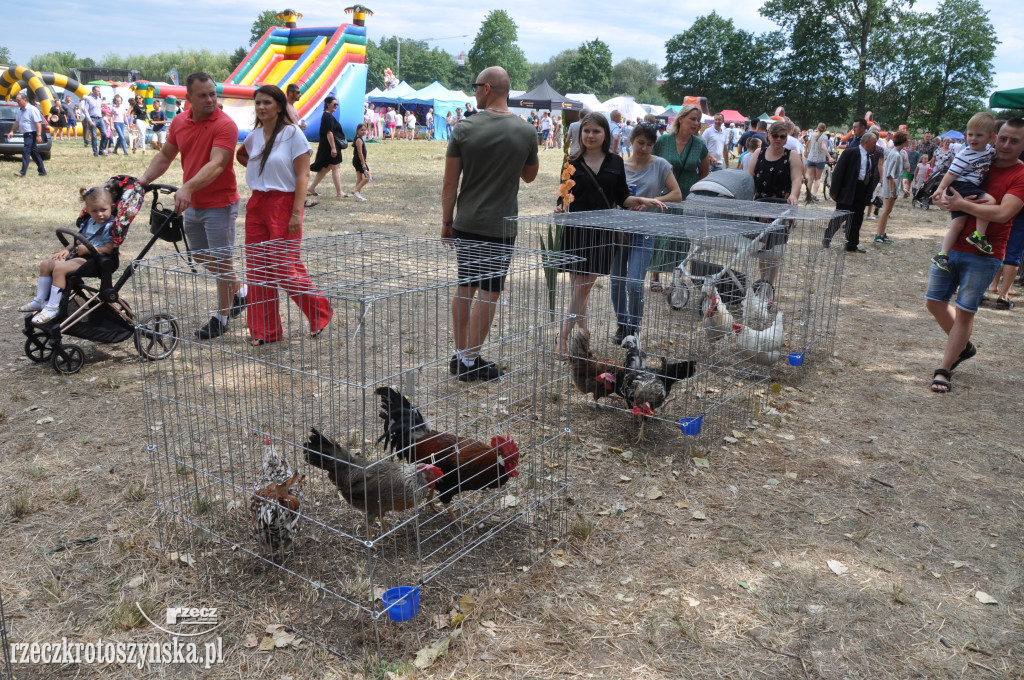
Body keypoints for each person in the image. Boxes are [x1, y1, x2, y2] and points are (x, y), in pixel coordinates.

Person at [441, 66, 539, 381]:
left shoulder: (463, 128)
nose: (474, 93)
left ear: (486, 88)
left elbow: (449, 184)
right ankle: (471, 359)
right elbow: (529, 175)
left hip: (467, 221)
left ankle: (461, 355)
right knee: (489, 291)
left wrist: (447, 221)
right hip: (501, 225)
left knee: (466, 285)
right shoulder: (525, 131)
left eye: (475, 87)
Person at [138, 71, 246, 340]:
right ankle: (242, 292)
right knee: (199, 256)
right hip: (193, 204)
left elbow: (217, 163)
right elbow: (165, 155)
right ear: (189, 98)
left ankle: (221, 318)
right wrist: (142, 181)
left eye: (213, 93)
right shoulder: (179, 122)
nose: (210, 99)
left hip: (220, 204)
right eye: (203, 95)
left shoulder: (225, 124)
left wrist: (187, 187)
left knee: (222, 261)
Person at [926, 118, 1024, 392]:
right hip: (955, 245)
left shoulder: (1020, 175)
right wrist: (948, 201)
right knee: (934, 303)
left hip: (985, 253)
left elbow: (1004, 213)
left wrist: (961, 203)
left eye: (1014, 140)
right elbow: (952, 191)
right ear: (995, 137)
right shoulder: (980, 159)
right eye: (1003, 138)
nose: (1006, 144)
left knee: (966, 312)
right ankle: (964, 347)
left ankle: (944, 369)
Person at [555, 112, 665, 356]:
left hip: (602, 233)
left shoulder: (615, 162)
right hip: (576, 231)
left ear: (606, 134)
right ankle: (578, 339)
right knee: (579, 290)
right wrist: (560, 207)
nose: (590, 136)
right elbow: (563, 196)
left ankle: (564, 337)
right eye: (586, 131)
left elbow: (622, 196)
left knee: (582, 289)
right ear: (579, 134)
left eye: (596, 131)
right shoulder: (571, 161)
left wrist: (643, 200)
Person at [236, 85, 332, 346]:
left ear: (280, 105)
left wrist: (296, 213)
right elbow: (241, 155)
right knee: (257, 270)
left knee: (284, 266)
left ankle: (320, 311)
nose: (261, 107)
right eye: (257, 103)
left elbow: (303, 175)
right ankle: (265, 332)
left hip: (284, 203)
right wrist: (261, 169)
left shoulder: (293, 135)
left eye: (267, 102)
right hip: (257, 203)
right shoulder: (255, 136)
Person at [610, 122, 682, 343]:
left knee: (634, 283)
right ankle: (622, 326)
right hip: (620, 231)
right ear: (631, 140)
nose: (644, 148)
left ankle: (634, 326)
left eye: (650, 144)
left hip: (645, 230)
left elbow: (677, 194)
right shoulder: (618, 165)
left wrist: (652, 201)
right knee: (616, 281)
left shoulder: (660, 165)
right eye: (641, 143)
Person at [20, 185, 119, 323]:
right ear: (88, 210)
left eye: (103, 210)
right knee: (46, 264)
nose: (99, 214)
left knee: (60, 269)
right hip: (80, 255)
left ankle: (53, 308)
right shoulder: (89, 222)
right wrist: (66, 249)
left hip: (95, 259)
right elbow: (78, 240)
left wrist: (88, 249)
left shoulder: (110, 226)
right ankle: (40, 300)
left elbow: (108, 249)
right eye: (94, 211)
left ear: (112, 207)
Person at [649, 104, 710, 291]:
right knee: (660, 235)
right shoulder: (664, 141)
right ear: (681, 119)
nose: (696, 123)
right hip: (665, 196)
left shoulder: (699, 144)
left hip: (687, 199)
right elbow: (652, 165)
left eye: (698, 120)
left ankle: (678, 278)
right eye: (692, 118)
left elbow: (704, 173)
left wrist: (691, 191)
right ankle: (655, 276)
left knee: (682, 239)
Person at [930, 113, 998, 269]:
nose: (973, 139)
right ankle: (979, 235)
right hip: (962, 185)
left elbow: (995, 158)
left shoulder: (989, 151)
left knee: (957, 224)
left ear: (990, 137)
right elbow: (951, 173)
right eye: (970, 134)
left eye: (979, 135)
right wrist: (940, 188)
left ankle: (942, 255)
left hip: (967, 186)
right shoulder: (965, 154)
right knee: (989, 201)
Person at [826, 131, 881, 253]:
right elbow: (838, 172)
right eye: (873, 143)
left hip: (862, 190)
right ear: (866, 142)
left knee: (857, 219)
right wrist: (834, 191)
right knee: (840, 217)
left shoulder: (871, 156)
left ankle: (852, 245)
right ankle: (827, 239)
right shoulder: (850, 153)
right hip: (849, 189)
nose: (875, 145)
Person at [749, 121, 805, 206]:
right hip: (759, 203)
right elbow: (749, 177)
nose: (778, 139)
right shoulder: (758, 153)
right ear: (769, 136)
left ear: (786, 138)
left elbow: (797, 179)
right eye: (775, 136)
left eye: (782, 137)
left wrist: (793, 195)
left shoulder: (792, 155)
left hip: (783, 204)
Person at [873, 130, 909, 244]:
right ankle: (878, 235)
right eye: (907, 139)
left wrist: (903, 187)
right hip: (890, 188)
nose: (909, 141)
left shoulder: (897, 153)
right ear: (903, 140)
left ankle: (882, 234)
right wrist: (892, 191)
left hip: (893, 187)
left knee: (887, 211)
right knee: (886, 211)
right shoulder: (895, 154)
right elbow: (890, 175)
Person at [308, 96, 347, 198]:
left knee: (326, 168)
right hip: (330, 145)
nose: (336, 106)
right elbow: (329, 133)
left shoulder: (326, 116)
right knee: (335, 167)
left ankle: (311, 188)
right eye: (334, 104)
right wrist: (333, 148)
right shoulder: (328, 116)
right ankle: (339, 192)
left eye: (337, 104)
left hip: (326, 145)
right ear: (328, 104)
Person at [6, 93, 47, 177]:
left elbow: (38, 123)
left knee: (26, 151)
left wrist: (38, 135)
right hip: (26, 134)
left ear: (25, 100)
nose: (17, 102)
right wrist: (12, 131)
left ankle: (22, 172)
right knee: (34, 153)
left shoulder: (32, 109)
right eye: (16, 100)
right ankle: (42, 171)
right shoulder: (19, 110)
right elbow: (17, 122)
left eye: (18, 100)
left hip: (31, 133)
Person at [805, 123, 830, 199]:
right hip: (820, 159)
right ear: (825, 129)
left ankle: (808, 195)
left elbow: (807, 143)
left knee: (810, 178)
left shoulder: (812, 135)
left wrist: (805, 151)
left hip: (811, 158)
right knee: (818, 178)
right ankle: (814, 194)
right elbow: (823, 147)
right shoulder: (824, 137)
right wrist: (829, 157)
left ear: (817, 128)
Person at [81, 86, 107, 156]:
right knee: (94, 136)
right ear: (94, 91)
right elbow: (86, 110)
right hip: (93, 118)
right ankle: (95, 152)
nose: (99, 92)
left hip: (100, 118)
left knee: (104, 134)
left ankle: (101, 150)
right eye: (98, 91)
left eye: (99, 91)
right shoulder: (89, 99)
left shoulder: (99, 99)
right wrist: (89, 120)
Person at [350, 122, 370, 201]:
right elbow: (360, 153)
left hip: (357, 161)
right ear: (357, 131)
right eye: (361, 130)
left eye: (365, 130)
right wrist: (363, 163)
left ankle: (358, 196)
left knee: (359, 178)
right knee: (367, 177)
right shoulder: (358, 140)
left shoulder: (360, 139)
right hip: (359, 161)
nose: (363, 132)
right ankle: (355, 191)